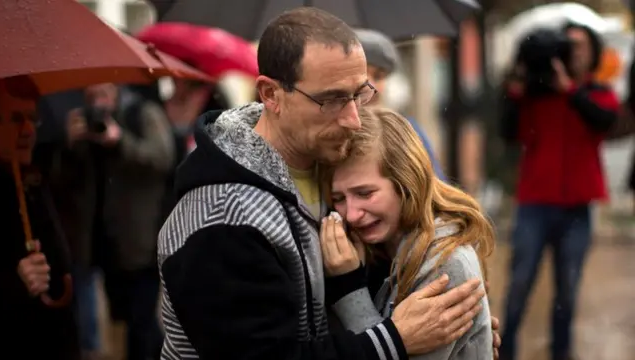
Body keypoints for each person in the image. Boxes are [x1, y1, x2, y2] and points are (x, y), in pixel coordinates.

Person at [158, 7, 494, 360]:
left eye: (360, 93)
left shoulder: (326, 163)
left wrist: (463, 338)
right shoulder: (222, 216)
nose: (353, 119)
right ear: (270, 95)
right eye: (332, 99)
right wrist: (393, 341)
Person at [318, 107, 495, 360]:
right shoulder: (374, 249)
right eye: (339, 198)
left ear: (406, 181)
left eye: (365, 193)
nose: (352, 214)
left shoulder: (446, 263)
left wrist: (349, 289)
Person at [499, 22, 619, 360]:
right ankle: (504, 348)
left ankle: (561, 352)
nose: (575, 51)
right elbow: (508, 132)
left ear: (593, 51)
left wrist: (570, 89)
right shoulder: (535, 96)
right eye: (569, 45)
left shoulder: (597, 91)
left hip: (577, 207)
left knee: (568, 286)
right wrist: (516, 85)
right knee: (520, 282)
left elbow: (604, 121)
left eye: (581, 46)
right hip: (534, 204)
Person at [49, 83, 174, 360]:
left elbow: (163, 158)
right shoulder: (81, 123)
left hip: (141, 239)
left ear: (116, 91)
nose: (98, 103)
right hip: (102, 241)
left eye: (103, 94)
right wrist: (69, 144)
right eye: (91, 96)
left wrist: (120, 140)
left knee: (141, 322)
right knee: (120, 320)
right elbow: (62, 183)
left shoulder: (142, 114)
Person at [0, 80, 80, 359]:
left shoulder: (33, 181)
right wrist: (13, 283)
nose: (29, 130)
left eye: (33, 119)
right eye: (16, 119)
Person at [354, 28, 446, 181]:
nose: (371, 86)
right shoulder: (333, 133)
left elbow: (435, 188)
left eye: (378, 76)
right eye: (362, 73)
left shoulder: (409, 132)